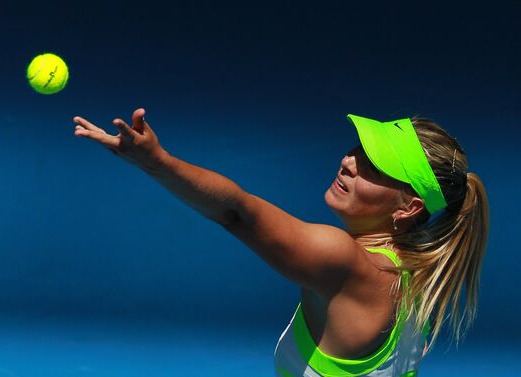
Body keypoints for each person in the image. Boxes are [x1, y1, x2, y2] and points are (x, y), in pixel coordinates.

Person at [73, 108, 489, 377]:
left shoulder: (345, 261)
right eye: (357, 150)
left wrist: (157, 162)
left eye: (372, 167)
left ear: (407, 208)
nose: (349, 162)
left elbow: (237, 213)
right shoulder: (427, 271)